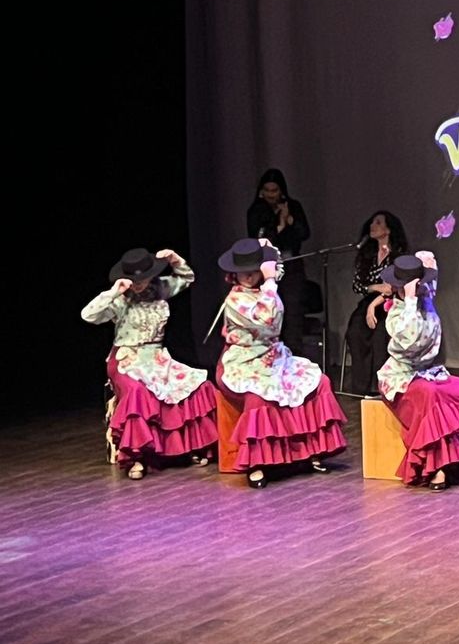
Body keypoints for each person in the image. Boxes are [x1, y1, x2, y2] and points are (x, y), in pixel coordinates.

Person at [217, 238, 348, 487]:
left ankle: (310, 450)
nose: (248, 275)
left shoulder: (267, 288)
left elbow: (278, 266)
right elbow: (266, 319)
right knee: (259, 397)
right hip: (243, 361)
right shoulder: (235, 300)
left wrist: (270, 251)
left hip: (275, 357)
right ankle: (257, 462)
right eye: (243, 271)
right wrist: (268, 282)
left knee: (317, 382)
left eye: (254, 269)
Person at [376, 252, 459, 490]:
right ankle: (436, 466)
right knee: (431, 397)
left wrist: (421, 269)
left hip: (430, 372)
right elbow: (409, 341)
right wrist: (408, 300)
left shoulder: (426, 295)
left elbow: (430, 265)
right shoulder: (396, 314)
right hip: (402, 378)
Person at [81, 248, 217, 478]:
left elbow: (187, 278)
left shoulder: (160, 288)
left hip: (156, 358)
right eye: (133, 280)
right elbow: (88, 315)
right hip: (127, 357)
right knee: (137, 393)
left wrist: (175, 260)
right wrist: (113, 292)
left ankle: (191, 446)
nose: (138, 284)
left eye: (141, 279)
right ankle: (137, 456)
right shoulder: (120, 299)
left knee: (197, 385)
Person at [246, 169, 313, 352]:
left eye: (274, 190)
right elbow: (260, 240)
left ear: (281, 190)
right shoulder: (256, 210)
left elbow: (304, 233)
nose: (270, 195)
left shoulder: (293, 206)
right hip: (266, 269)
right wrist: (280, 226)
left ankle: (294, 358)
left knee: (292, 314)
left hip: (291, 267)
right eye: (267, 190)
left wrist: (289, 219)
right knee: (269, 314)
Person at [347, 210, 408, 395]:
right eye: (372, 222)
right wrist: (374, 288)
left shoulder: (398, 256)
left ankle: (380, 386)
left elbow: (391, 288)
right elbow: (357, 285)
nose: (373, 226)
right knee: (355, 332)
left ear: (388, 230)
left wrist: (380, 293)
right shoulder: (367, 255)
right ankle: (360, 387)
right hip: (368, 302)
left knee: (381, 336)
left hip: (391, 305)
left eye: (378, 223)